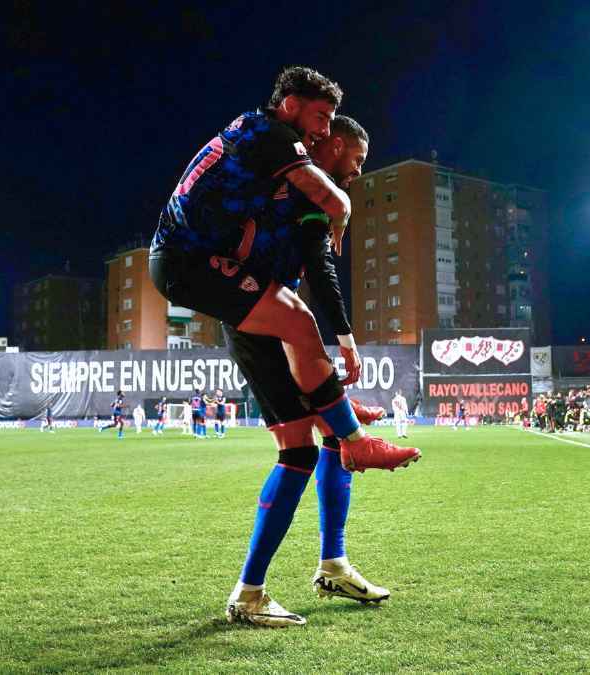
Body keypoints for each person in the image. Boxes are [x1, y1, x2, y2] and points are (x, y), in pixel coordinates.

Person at [148, 66, 416, 472]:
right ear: (290, 106)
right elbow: (333, 202)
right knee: (298, 321)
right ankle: (355, 441)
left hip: (196, 259)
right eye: (320, 118)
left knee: (301, 447)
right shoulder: (273, 136)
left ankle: (339, 414)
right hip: (185, 261)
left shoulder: (257, 136)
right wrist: (341, 215)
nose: (324, 130)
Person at [221, 117, 401, 627]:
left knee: (329, 438)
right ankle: (248, 593)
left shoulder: (303, 188)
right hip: (255, 319)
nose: (358, 172)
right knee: (299, 449)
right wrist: (345, 338)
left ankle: (333, 564)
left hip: (273, 316)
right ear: (336, 146)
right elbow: (320, 271)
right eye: (357, 160)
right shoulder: (305, 192)